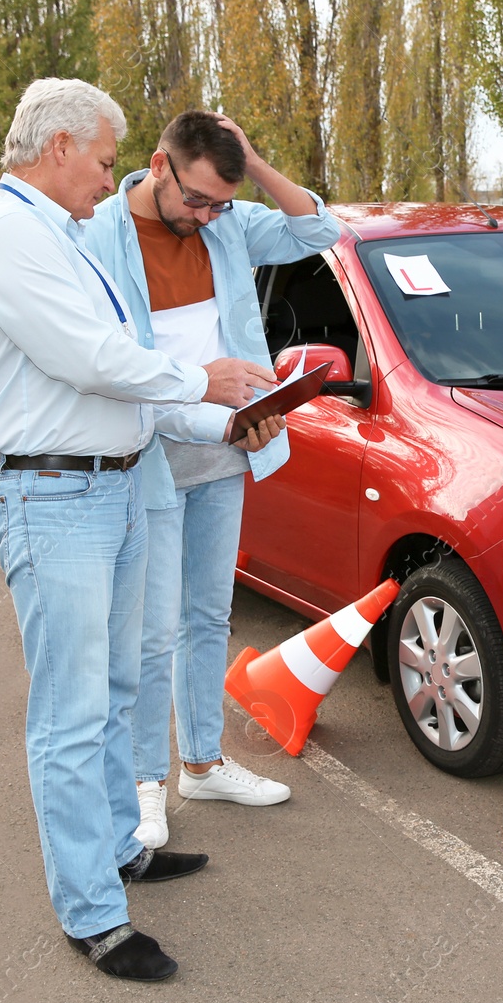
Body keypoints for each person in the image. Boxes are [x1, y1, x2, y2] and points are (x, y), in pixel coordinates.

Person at [0, 79, 277, 982]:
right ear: (56, 147)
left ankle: (119, 847)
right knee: (71, 712)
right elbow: (91, 360)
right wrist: (205, 382)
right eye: (99, 159)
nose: (107, 177)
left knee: (123, 681)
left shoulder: (63, 232)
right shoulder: (6, 237)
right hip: (53, 499)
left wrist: (232, 416)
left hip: (118, 485)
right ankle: (92, 912)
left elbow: (128, 373)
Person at [81, 111, 341, 848]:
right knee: (152, 631)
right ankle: (143, 784)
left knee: (207, 618)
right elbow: (114, 370)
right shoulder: (98, 233)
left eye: (219, 204)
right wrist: (211, 409)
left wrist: (252, 164)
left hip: (228, 450)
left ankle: (201, 761)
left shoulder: (225, 221)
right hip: (152, 451)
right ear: (159, 166)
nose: (205, 217)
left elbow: (320, 232)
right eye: (196, 199)